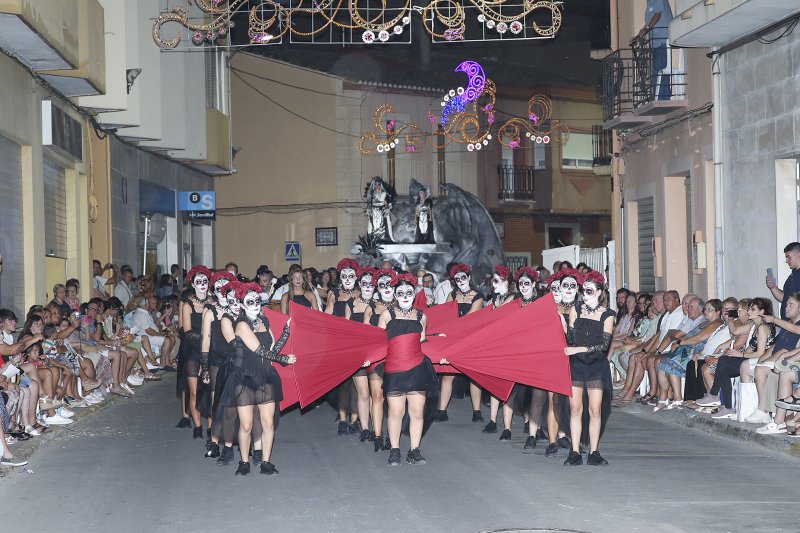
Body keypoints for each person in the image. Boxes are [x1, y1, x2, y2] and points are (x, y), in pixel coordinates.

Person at [225, 282, 295, 475]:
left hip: (265, 376)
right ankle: (244, 462)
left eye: (257, 300)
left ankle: (266, 462)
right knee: (246, 424)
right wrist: (284, 360)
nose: (255, 304)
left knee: (268, 423)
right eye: (250, 301)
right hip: (244, 377)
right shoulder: (240, 324)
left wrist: (287, 332)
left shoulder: (264, 321)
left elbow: (272, 350)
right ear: (241, 304)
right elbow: (259, 350)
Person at [374, 272, 440, 466]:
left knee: (417, 412)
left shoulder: (422, 316)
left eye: (408, 292)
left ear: (414, 293)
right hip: (394, 370)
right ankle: (395, 450)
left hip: (417, 369)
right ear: (395, 294)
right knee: (396, 412)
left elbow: (422, 341)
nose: (404, 295)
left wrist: (442, 345)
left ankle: (414, 450)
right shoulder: (387, 315)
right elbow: (377, 342)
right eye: (400, 292)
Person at [563, 271, 615, 466]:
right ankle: (575, 451)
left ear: (599, 292)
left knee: (595, 410)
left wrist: (579, 348)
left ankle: (594, 452)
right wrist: (562, 325)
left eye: (589, 290)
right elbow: (570, 339)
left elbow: (603, 345)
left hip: (595, 365)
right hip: (576, 364)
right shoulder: (576, 310)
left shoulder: (608, 314)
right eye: (583, 290)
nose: (584, 294)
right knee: (575, 409)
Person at [696, 298, 776, 418]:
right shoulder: (753, 324)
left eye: (752, 309)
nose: (749, 311)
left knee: (723, 363)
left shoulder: (763, 328)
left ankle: (716, 397)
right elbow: (735, 331)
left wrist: (741, 354)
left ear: (762, 312)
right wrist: (731, 320)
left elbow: (760, 353)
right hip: (750, 358)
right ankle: (726, 406)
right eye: (749, 308)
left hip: (759, 361)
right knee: (724, 367)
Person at [199, 270, 237, 458]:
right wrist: (204, 366)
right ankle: (214, 441)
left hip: (235, 360)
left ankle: (232, 441)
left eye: (225, 287)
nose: (222, 291)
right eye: (219, 288)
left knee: (235, 404)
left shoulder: (237, 308)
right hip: (215, 361)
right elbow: (205, 340)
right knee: (217, 403)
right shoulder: (210, 310)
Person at [439, 263, 484, 422]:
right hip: (453, 339)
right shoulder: (452, 295)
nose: (460, 280)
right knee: (447, 375)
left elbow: (471, 318)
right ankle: (442, 411)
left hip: (471, 339)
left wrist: (452, 325)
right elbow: (444, 315)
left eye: (463, 277)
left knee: (474, 376)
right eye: (457, 278)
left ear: (469, 278)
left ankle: (477, 411)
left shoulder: (478, 296)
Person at [325, 258, 361, 434]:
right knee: (342, 383)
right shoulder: (334, 294)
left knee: (356, 383)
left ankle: (354, 419)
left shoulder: (362, 293)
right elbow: (327, 317)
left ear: (356, 277)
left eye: (351, 275)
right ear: (340, 276)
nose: (347, 278)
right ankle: (342, 418)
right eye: (344, 275)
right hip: (339, 344)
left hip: (357, 343)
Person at [363, 267, 396, 451]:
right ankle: (377, 435)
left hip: (396, 357)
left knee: (393, 398)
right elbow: (363, 334)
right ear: (378, 287)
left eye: (389, 284)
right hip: (376, 358)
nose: (386, 288)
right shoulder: (372, 307)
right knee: (377, 396)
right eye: (382, 284)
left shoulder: (402, 306)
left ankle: (392, 435)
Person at [178, 265, 213, 438]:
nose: (202, 284)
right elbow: (187, 331)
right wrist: (205, 341)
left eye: (205, 281)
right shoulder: (187, 304)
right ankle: (198, 426)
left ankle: (211, 427)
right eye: (198, 281)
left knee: (212, 390)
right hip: (192, 350)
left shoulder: (213, 302)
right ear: (192, 283)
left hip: (211, 350)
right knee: (194, 391)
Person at [345, 266, 379, 442]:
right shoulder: (351, 303)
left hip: (375, 355)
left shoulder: (380, 305)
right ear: (359, 283)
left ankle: (376, 428)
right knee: (363, 393)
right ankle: (365, 428)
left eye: (370, 283)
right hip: (357, 354)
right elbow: (345, 329)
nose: (367, 286)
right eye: (363, 283)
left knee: (376, 394)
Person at [483, 265, 517, 435]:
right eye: (492, 281)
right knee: (493, 384)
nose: (493, 285)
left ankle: (507, 427)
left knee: (508, 386)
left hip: (510, 347)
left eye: (496, 281)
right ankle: (492, 420)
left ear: (506, 281)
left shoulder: (514, 298)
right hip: (494, 347)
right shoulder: (492, 300)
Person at [766, 242, 800, 320]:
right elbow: (784, 298)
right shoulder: (793, 275)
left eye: (788, 257)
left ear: (798, 254)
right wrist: (772, 287)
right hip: (788, 324)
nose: (786, 261)